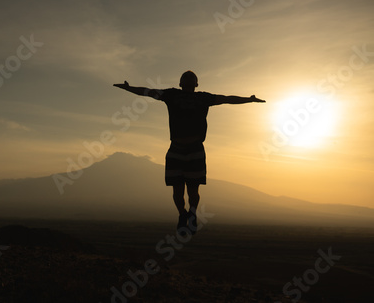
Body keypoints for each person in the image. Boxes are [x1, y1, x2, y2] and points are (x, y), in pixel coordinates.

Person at [113, 70, 265, 235]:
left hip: (195, 150)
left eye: (191, 77)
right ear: (180, 83)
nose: (188, 79)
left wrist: (249, 100)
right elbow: (147, 92)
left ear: (197, 84)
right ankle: (183, 214)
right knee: (177, 192)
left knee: (193, 191)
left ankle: (192, 213)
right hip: (176, 149)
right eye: (185, 77)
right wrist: (129, 88)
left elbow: (227, 99)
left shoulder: (203, 98)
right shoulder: (171, 95)